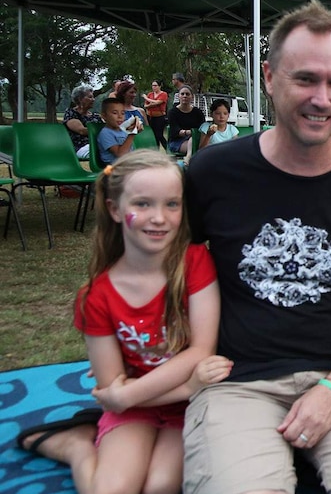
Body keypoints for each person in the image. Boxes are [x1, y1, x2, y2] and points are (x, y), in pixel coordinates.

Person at [183, 0, 331, 494]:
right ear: (269, 77)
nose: (322, 98)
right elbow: (165, 273)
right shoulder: (211, 174)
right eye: (305, 79)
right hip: (236, 383)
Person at [14, 149, 229, 494]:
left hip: (187, 404)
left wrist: (130, 395)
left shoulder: (195, 263)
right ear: (115, 209)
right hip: (138, 407)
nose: (159, 217)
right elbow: (110, 384)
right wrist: (125, 400)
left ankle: (85, 441)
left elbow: (200, 351)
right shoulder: (96, 297)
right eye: (142, 204)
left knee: (160, 485)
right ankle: (77, 448)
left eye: (171, 204)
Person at [63, 84, 103, 159]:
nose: (93, 99)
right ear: (80, 99)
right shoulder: (71, 113)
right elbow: (81, 130)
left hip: (97, 145)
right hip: (80, 148)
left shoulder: (96, 116)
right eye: (90, 97)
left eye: (93, 97)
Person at [97, 97, 139, 165]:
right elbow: (121, 154)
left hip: (128, 164)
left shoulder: (123, 131)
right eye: (115, 113)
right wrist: (132, 134)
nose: (120, 116)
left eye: (122, 113)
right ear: (104, 116)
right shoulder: (105, 133)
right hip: (115, 167)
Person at [167, 85, 206, 155]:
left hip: (195, 139)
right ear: (178, 96)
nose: (185, 96)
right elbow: (174, 130)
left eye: (187, 94)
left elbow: (203, 127)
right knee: (194, 148)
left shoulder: (198, 112)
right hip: (177, 141)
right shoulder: (172, 112)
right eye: (182, 94)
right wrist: (189, 132)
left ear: (192, 97)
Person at [144, 79, 169, 149]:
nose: (154, 87)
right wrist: (151, 104)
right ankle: (156, 150)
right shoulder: (150, 94)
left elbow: (158, 102)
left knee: (159, 135)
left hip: (160, 117)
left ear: (159, 86)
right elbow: (145, 105)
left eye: (155, 85)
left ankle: (168, 149)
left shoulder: (164, 94)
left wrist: (146, 98)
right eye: (152, 86)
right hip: (151, 117)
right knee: (154, 136)